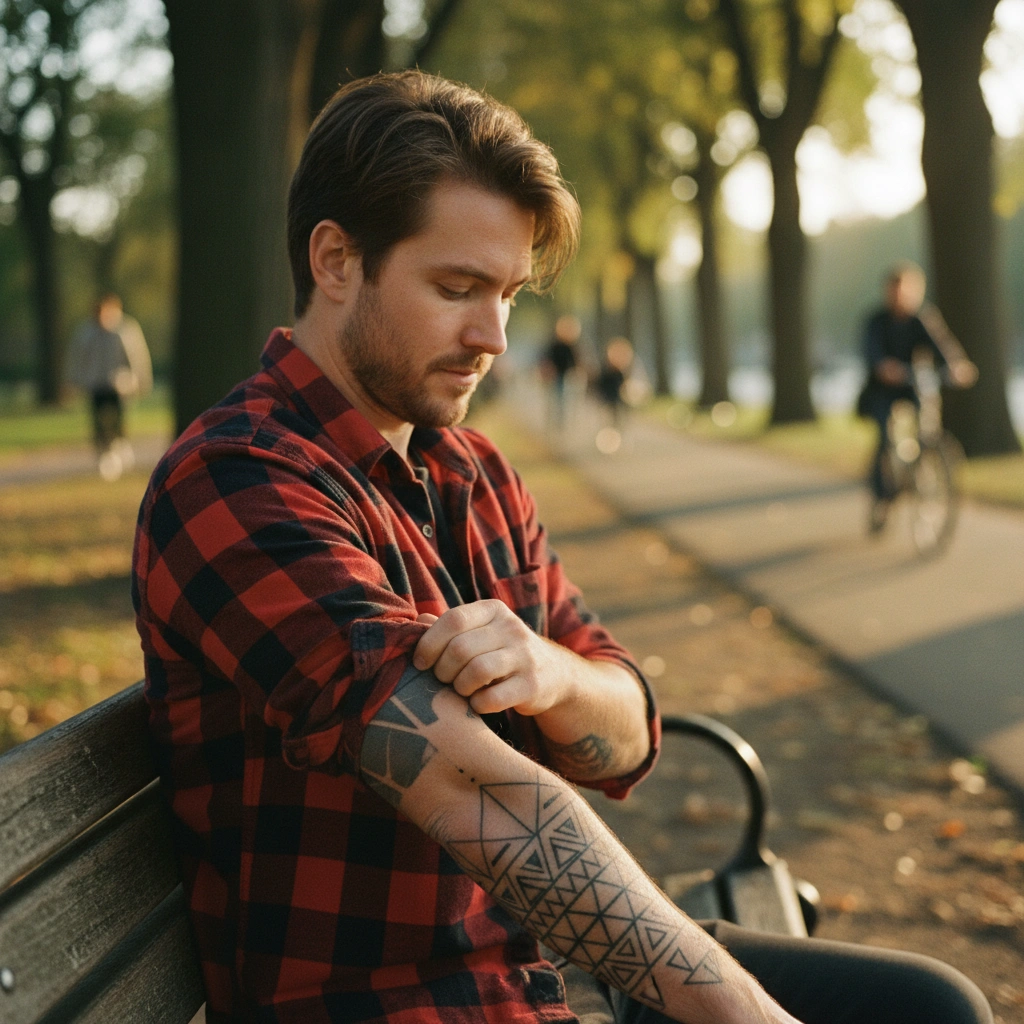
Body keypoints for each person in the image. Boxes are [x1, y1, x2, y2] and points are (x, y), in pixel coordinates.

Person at [132, 74, 992, 1024]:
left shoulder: (473, 473)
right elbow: (477, 796)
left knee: (930, 1005)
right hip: (405, 1005)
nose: (493, 335)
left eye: (507, 293)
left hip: (543, 982)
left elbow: (629, 732)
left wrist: (549, 671)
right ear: (336, 260)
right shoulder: (237, 478)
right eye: (456, 288)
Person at [858, 262, 977, 532]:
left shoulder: (921, 318)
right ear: (888, 292)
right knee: (885, 434)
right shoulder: (876, 321)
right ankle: (883, 495)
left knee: (927, 416)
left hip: (912, 385)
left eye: (907, 291)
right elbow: (871, 352)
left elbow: (942, 345)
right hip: (882, 390)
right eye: (896, 291)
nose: (902, 297)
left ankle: (925, 459)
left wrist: (957, 365)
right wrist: (883, 367)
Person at [66, 292, 153, 481]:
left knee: (118, 418)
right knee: (98, 419)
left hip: (120, 384)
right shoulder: (86, 333)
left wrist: (141, 380)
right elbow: (77, 358)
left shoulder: (126, 330)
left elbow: (137, 357)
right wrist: (73, 380)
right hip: (96, 383)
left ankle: (119, 446)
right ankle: (104, 452)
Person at [540, 313, 582, 428]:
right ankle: (554, 421)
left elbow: (575, 361)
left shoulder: (572, 346)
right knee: (556, 398)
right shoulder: (554, 345)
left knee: (565, 399)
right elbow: (547, 359)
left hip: (567, 376)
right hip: (555, 376)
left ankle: (562, 422)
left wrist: (576, 371)